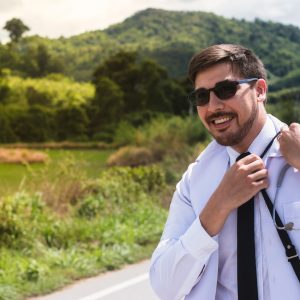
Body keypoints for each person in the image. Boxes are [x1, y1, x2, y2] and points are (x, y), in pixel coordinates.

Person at [149, 44, 300, 300]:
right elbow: (166, 287)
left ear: (260, 90)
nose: (213, 105)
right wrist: (218, 206)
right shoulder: (195, 180)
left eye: (226, 90)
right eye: (202, 97)